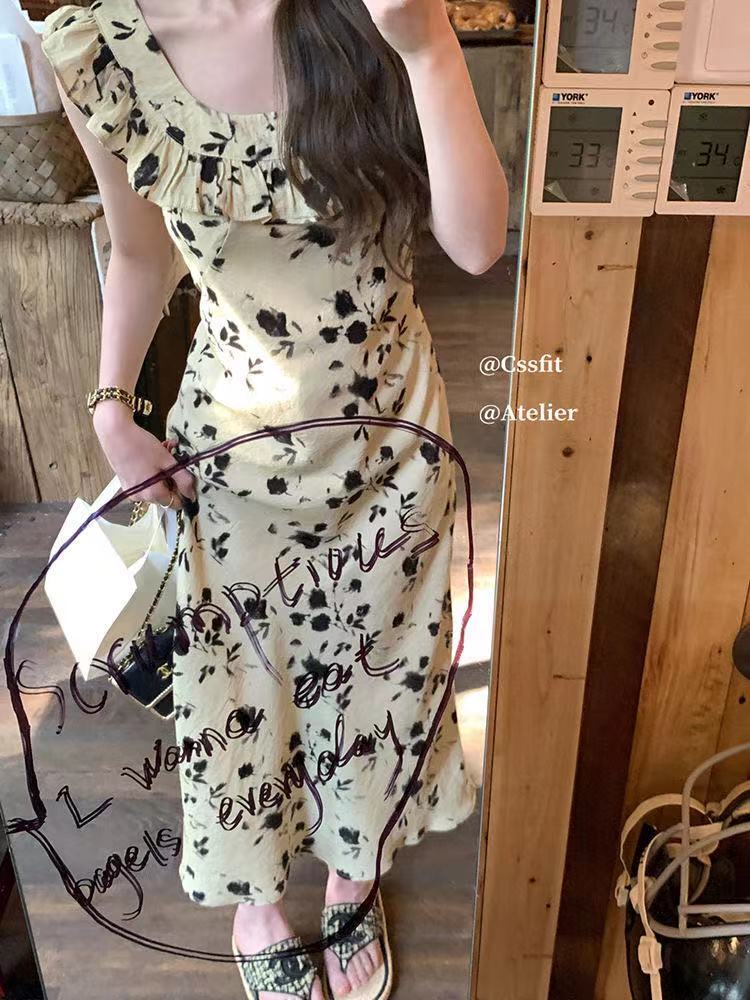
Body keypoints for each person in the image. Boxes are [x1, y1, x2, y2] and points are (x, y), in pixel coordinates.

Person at [41, 1, 508, 998]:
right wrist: (112, 407)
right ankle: (256, 900)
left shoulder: (377, 13)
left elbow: (476, 244)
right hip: (235, 463)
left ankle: (351, 876)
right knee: (243, 701)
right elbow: (139, 251)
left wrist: (426, 46)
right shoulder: (105, 48)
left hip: (394, 448)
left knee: (379, 690)